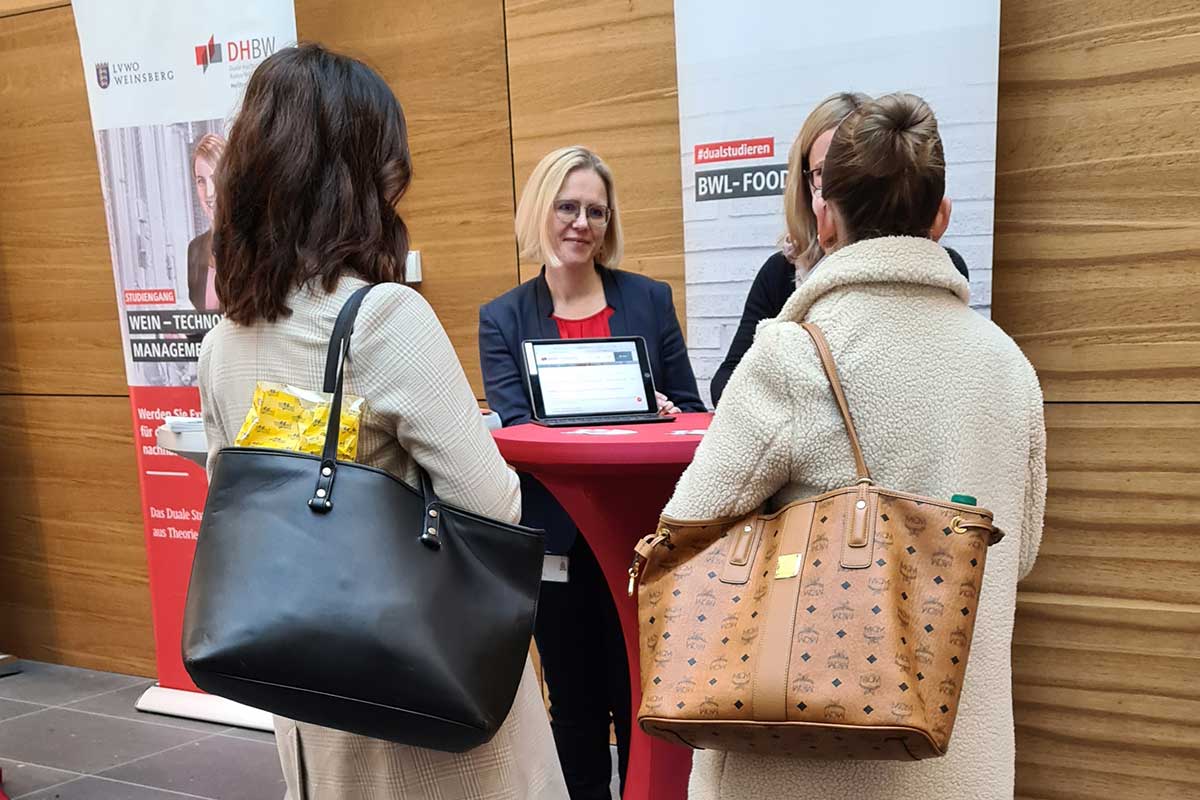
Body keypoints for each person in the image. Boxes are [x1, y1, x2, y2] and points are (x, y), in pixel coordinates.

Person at [198, 44, 568, 800]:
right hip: (423, 700)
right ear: (357, 174)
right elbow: (492, 506)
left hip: (308, 699)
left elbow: (235, 501)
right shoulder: (382, 318)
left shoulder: (221, 344)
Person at [663, 93, 1046, 800]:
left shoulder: (794, 356)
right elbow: (1015, 555)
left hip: (805, 769)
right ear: (940, 219)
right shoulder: (1010, 368)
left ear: (827, 216)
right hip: (961, 764)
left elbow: (682, 536)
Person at [479, 145, 705, 799]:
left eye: (596, 211)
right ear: (541, 212)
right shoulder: (505, 318)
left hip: (645, 543)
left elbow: (692, 414)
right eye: (568, 207)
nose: (582, 223)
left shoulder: (649, 301)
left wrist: (661, 413)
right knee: (574, 711)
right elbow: (519, 432)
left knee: (642, 701)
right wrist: (622, 414)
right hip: (558, 544)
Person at [709, 92, 970, 406]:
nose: (839, 190)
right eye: (823, 174)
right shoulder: (781, 273)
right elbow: (727, 383)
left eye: (850, 173)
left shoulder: (942, 272)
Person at [187, 132, 225, 312]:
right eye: (200, 181)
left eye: (214, 178)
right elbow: (199, 322)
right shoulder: (194, 250)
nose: (209, 192)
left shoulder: (251, 246)